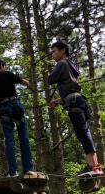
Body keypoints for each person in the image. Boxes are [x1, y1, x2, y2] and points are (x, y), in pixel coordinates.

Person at [48, 41, 103, 177]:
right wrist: (58, 100)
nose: (52, 54)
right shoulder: (71, 64)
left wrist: (54, 69)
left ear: (63, 51)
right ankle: (95, 166)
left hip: (74, 103)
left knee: (82, 133)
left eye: (54, 51)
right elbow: (71, 88)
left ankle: (93, 166)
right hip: (78, 100)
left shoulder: (61, 63)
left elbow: (50, 79)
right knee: (84, 133)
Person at [0, 58, 34, 177]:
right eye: (4, 66)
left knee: (9, 140)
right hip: (15, 105)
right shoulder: (7, 74)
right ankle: (28, 169)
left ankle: (13, 171)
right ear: (1, 65)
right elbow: (25, 83)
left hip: (2, 108)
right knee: (24, 138)